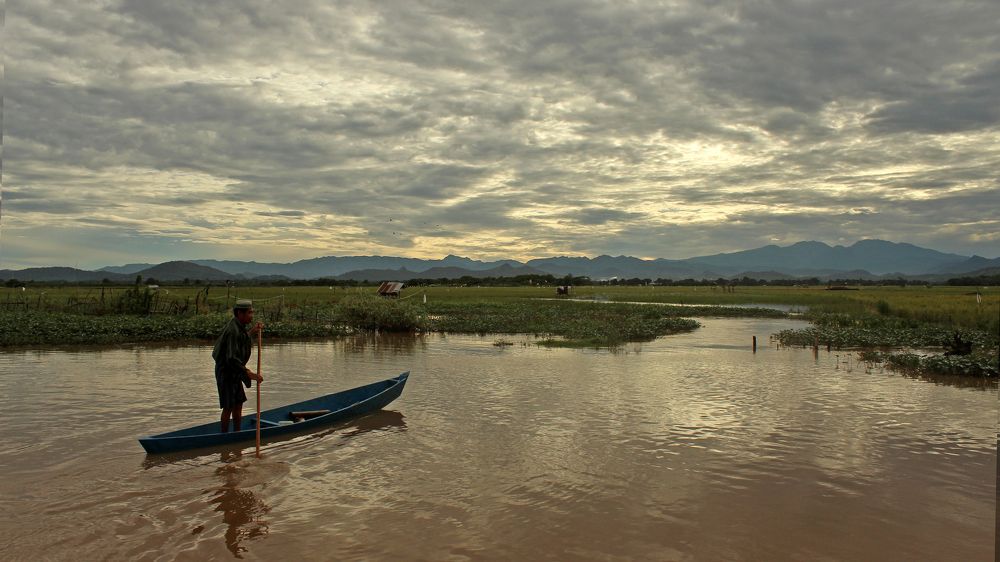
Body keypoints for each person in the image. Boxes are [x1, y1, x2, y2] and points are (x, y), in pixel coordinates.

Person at [212, 299, 264, 432]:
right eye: (249, 313)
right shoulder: (232, 330)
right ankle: (224, 437)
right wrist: (248, 373)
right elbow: (231, 358)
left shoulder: (238, 326)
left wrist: (253, 331)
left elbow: (242, 339)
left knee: (238, 403)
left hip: (235, 371)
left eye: (252, 312)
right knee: (228, 406)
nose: (251, 316)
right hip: (226, 371)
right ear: (240, 313)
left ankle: (237, 433)